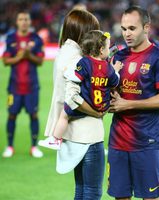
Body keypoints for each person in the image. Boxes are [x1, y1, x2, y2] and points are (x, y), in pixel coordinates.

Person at [107, 6, 159, 200]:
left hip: (147, 143)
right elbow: (111, 96)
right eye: (123, 28)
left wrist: (127, 104)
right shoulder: (117, 57)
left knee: (150, 198)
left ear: (146, 27)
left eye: (132, 28)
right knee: (120, 197)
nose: (126, 34)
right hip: (118, 141)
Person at [43, 9, 106, 199]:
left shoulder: (64, 52)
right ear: (83, 31)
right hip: (86, 134)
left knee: (81, 189)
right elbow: (73, 97)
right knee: (92, 191)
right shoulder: (77, 59)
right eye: (93, 31)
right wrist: (96, 112)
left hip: (72, 132)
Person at [39, 30, 123, 150]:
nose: (109, 50)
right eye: (108, 47)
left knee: (64, 114)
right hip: (103, 106)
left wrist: (67, 71)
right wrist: (116, 70)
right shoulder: (108, 67)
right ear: (101, 50)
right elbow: (115, 81)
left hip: (88, 103)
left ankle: (56, 139)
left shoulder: (85, 62)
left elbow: (76, 77)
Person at [2, 11, 44, 158]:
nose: (24, 21)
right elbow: (6, 61)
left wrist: (28, 55)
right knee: (12, 115)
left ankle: (34, 147)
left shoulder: (36, 39)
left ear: (30, 21)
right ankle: (9, 146)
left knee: (34, 115)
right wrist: (20, 57)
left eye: (26, 19)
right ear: (17, 21)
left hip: (32, 87)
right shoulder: (11, 38)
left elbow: (40, 61)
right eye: (21, 19)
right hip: (14, 87)